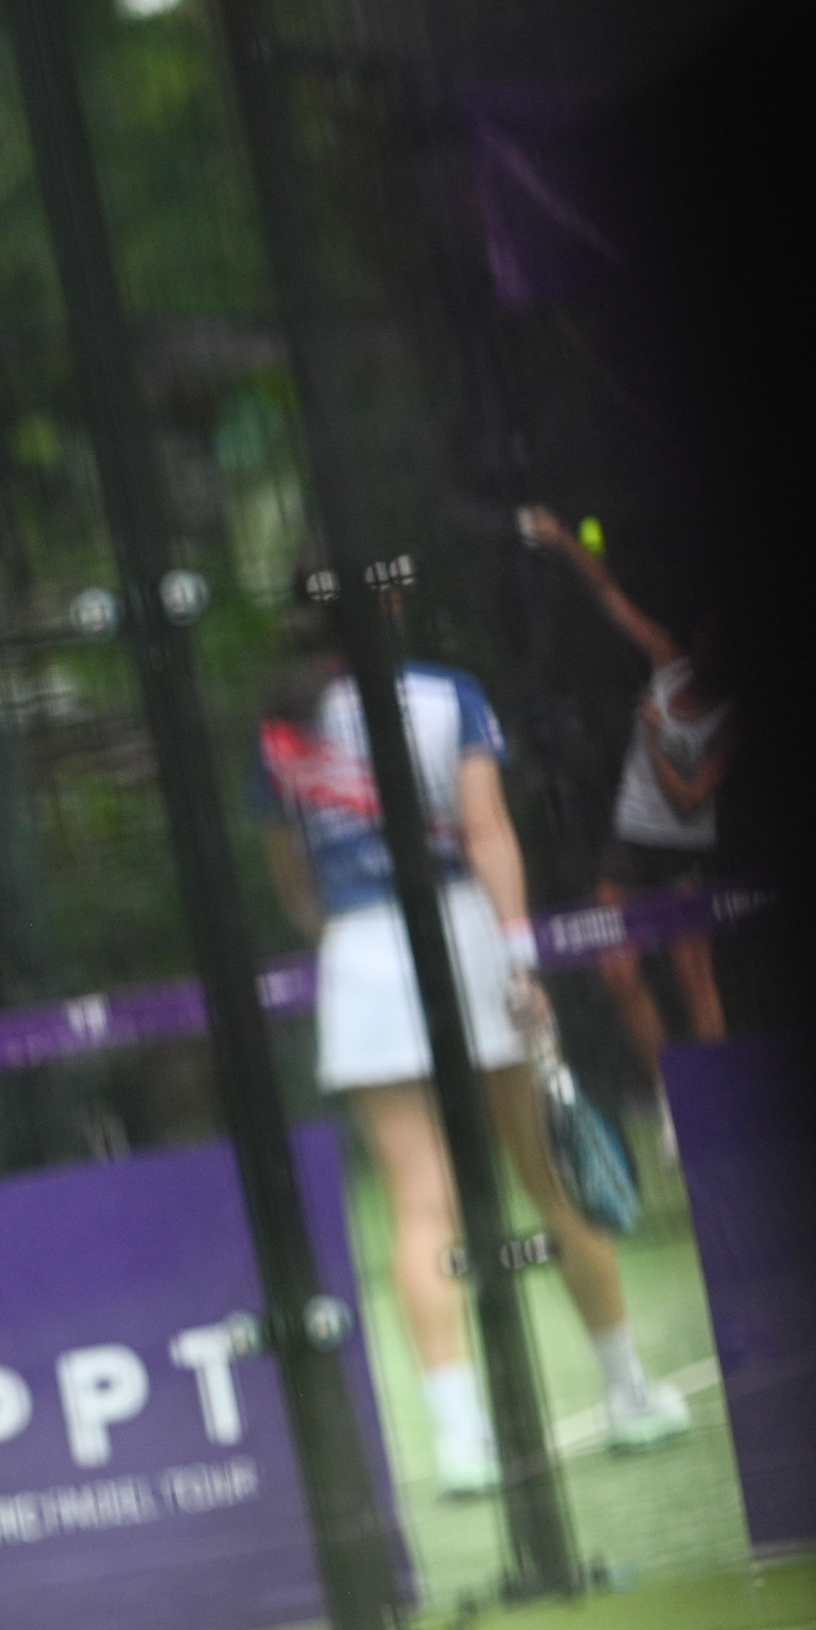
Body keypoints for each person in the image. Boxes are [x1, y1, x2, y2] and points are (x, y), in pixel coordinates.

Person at [254, 606, 694, 1497]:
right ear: (385, 605)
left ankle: (461, 1445)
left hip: (362, 958)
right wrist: (519, 958)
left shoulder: (284, 726)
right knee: (550, 1176)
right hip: (466, 939)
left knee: (421, 1209)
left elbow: (289, 869)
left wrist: (336, 933)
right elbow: (488, 830)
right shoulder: (445, 694)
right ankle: (629, 1394)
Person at [519, 506, 730, 1090]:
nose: (707, 649)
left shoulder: (729, 716)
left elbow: (690, 801)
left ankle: (717, 1092)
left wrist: (657, 737)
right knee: (616, 967)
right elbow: (608, 595)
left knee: (693, 975)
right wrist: (564, 540)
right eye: (705, 638)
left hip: (682, 848)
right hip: (629, 838)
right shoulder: (667, 661)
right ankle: (670, 1090)